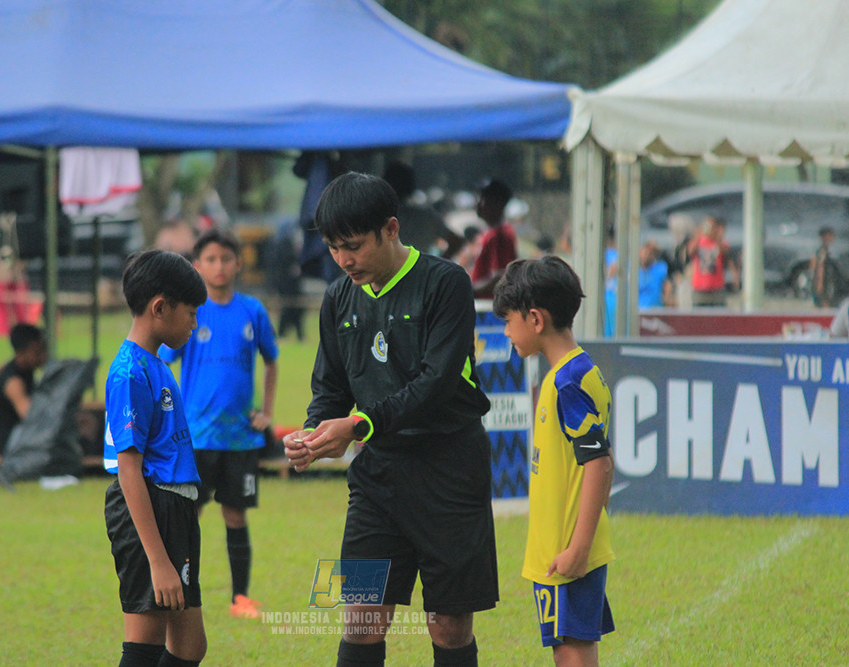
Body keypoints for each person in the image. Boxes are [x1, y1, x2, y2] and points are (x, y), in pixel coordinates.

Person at [283, 172, 497, 667]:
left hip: (449, 471)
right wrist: (317, 433)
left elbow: (435, 383)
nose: (343, 260)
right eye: (334, 248)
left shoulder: (445, 283)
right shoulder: (338, 298)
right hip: (377, 480)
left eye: (353, 246)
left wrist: (356, 427)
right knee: (360, 618)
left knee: (448, 625)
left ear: (392, 228)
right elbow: (331, 386)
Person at [492, 256, 616, 667]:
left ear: (535, 319)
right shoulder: (576, 371)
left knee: (570, 653)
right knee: (574, 648)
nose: (506, 331)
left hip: (567, 553)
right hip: (562, 548)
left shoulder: (567, 381)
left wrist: (579, 547)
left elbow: (598, 463)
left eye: (509, 320)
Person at [159, 228, 279, 620]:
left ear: (238, 263)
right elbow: (161, 361)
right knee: (188, 516)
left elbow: (272, 361)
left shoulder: (252, 311)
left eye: (226, 259)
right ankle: (178, 593)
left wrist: (267, 413)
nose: (219, 266)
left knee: (235, 515)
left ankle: (240, 598)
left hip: (240, 438)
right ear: (197, 266)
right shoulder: (190, 314)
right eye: (210, 259)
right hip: (196, 436)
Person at [103, 249, 209, 667]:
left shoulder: (157, 363)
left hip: (175, 506)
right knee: (144, 647)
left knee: (189, 646)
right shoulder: (130, 372)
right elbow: (128, 468)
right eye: (191, 312)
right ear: (159, 308)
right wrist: (158, 561)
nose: (194, 322)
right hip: (150, 506)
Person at [0, 323, 47, 462]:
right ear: (22, 351)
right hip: (12, 442)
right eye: (37, 351)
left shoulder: (26, 371)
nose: (42, 356)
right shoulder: (13, 382)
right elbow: (29, 415)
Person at [382, 160, 463, 258]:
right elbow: (457, 241)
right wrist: (437, 264)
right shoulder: (426, 215)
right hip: (419, 270)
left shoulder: (378, 216)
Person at [470, 178, 516, 298]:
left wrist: (470, 290)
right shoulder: (489, 232)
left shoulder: (500, 235)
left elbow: (501, 275)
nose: (479, 203)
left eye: (484, 199)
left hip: (490, 310)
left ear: (498, 204)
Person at [687, 215, 738, 307]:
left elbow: (725, 252)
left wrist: (717, 237)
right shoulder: (698, 242)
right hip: (700, 288)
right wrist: (698, 236)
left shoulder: (721, 242)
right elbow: (690, 252)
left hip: (717, 288)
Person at [809, 227, 839, 307]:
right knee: (824, 305)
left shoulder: (827, 251)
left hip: (826, 283)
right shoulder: (822, 251)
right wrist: (819, 284)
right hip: (822, 285)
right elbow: (819, 268)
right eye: (829, 236)